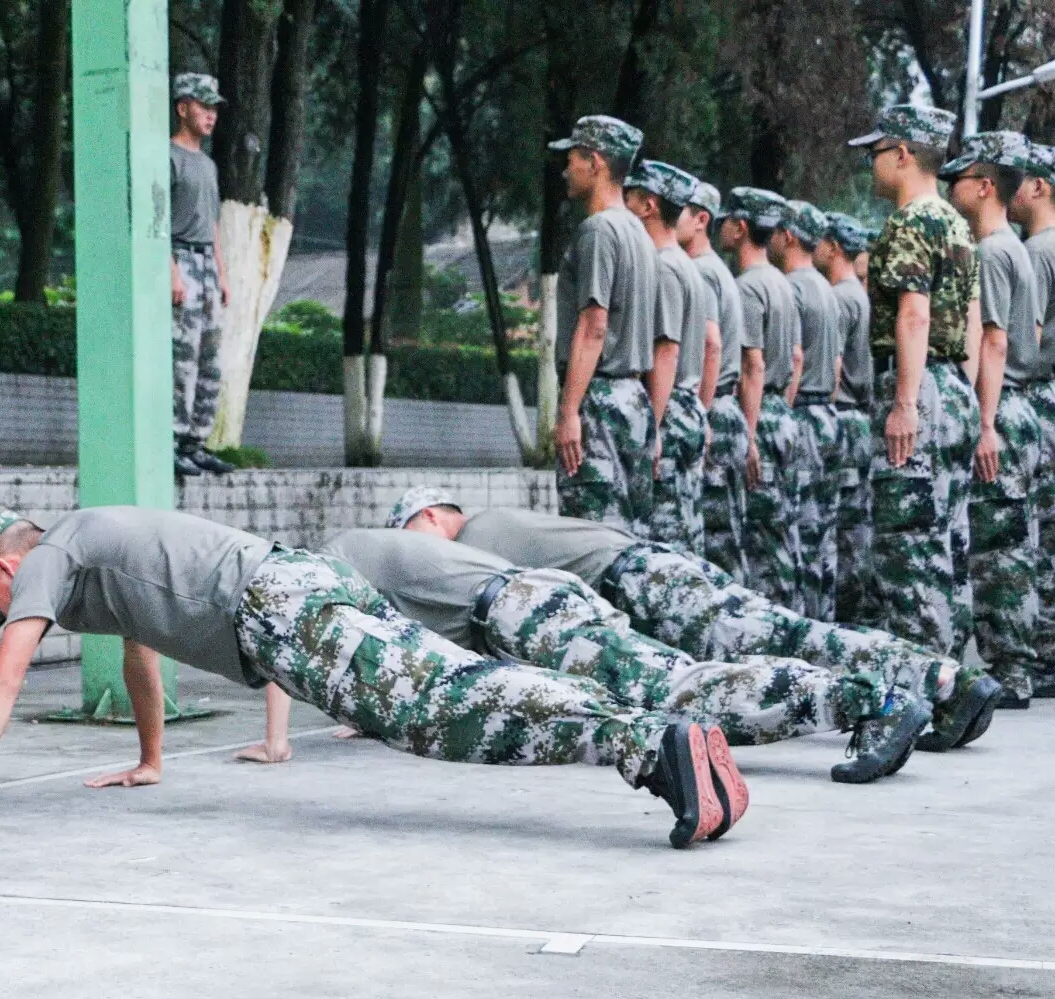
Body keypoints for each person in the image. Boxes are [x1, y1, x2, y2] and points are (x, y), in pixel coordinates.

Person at [0, 505, 748, 849]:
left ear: (2, 564)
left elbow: (4, 675)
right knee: (451, 684)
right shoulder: (90, 552)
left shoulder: (50, 553)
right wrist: (152, 760)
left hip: (279, 609)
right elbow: (141, 645)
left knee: (443, 707)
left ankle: (652, 742)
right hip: (300, 586)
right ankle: (670, 741)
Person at [381, 488, 1001, 753]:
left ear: (433, 517)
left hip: (646, 585)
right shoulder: (506, 523)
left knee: (784, 637)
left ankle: (939, 684)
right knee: (779, 637)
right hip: (654, 578)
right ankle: (939, 684)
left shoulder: (480, 536)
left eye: (411, 531)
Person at [324, 524, 926, 783]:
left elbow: (321, 639)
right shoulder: (424, 553)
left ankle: (869, 700)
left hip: (525, 618)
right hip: (547, 605)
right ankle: (869, 695)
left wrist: (282, 741)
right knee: (685, 682)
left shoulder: (329, 559)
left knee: (686, 690)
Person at [848, 104, 981, 658]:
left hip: (918, 385)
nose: (871, 165)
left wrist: (906, 402)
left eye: (876, 154)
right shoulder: (956, 223)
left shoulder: (910, 222)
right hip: (952, 387)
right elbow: (972, 319)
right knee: (946, 543)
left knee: (908, 553)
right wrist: (962, 396)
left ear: (902, 154)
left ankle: (924, 690)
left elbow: (913, 315)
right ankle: (957, 683)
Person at [942, 132, 1043, 708]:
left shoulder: (993, 253)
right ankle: (1014, 664)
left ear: (984, 186)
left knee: (999, 547)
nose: (952, 186)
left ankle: (1012, 672)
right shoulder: (1012, 248)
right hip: (1017, 402)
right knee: (1010, 540)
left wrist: (985, 422)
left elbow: (996, 340)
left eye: (961, 178)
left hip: (1001, 404)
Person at [548, 115, 659, 535]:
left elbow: (594, 325)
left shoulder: (598, 231)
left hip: (600, 401)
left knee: (591, 540)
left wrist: (569, 410)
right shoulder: (639, 233)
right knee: (630, 538)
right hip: (633, 401)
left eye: (572, 159)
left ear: (594, 162)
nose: (565, 170)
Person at [625, 161, 718, 554]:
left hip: (669, 407)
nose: (621, 203)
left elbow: (666, 351)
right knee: (686, 533)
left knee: (667, 547)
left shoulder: (663, 266)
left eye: (628, 197)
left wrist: (654, 427)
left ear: (647, 206)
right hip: (687, 406)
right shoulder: (686, 264)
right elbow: (712, 342)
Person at [718, 188, 803, 611]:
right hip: (780, 411)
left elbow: (753, 366)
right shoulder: (782, 284)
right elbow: (796, 358)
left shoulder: (748, 287)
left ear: (742, 228)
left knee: (762, 540)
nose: (721, 227)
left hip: (760, 413)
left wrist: (749, 435)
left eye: (727, 220)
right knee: (783, 530)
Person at [775, 200, 843, 622]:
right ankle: (825, 619)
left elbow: (794, 359)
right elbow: (834, 366)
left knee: (795, 526)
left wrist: (783, 409)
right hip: (827, 414)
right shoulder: (825, 287)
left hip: (801, 412)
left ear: (788, 236)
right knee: (821, 531)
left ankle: (801, 624)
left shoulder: (795, 288)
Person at [168, 73, 235, 478]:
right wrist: (172, 271)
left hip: (208, 266)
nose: (210, 115)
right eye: (203, 106)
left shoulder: (207, 165)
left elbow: (212, 225)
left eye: (214, 109)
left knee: (211, 359)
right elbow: (157, 221)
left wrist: (222, 275)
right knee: (183, 358)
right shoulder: (168, 156)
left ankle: (197, 442)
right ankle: (173, 441)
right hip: (181, 259)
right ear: (182, 107)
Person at [684, 182, 750, 583]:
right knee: (726, 537)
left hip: (715, 408)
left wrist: (700, 413)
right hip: (726, 407)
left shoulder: (703, 271)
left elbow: (711, 346)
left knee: (717, 547)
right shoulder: (718, 271)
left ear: (700, 220)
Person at [1009, 141, 1055, 697]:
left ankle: (1041, 653)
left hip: (1040, 394)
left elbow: (1028, 336)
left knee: (1032, 530)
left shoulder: (1039, 251)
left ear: (1040, 186)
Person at [817, 212, 878, 625]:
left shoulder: (841, 297)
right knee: (856, 521)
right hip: (861, 417)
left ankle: (846, 614)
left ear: (834, 247)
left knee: (840, 524)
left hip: (842, 413)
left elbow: (834, 365)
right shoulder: (861, 294)